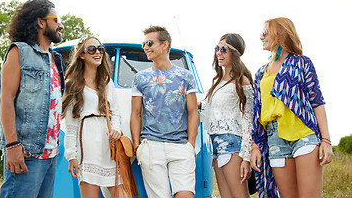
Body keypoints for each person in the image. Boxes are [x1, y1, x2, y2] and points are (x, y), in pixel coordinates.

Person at [250, 17, 333, 198]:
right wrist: (255, 146)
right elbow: (256, 111)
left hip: (303, 134)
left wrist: (326, 140)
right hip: (274, 139)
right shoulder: (260, 72)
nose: (260, 37)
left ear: (278, 34)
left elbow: (317, 102)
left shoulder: (302, 63)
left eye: (265, 32)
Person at [0, 0, 65, 197]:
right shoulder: (20, 51)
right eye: (56, 19)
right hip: (27, 152)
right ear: (41, 22)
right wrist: (11, 145)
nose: (60, 25)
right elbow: (5, 99)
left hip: (51, 153)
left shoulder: (55, 59)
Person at [130, 25, 199, 198]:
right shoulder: (140, 78)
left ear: (164, 44)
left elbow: (192, 112)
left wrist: (190, 145)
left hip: (181, 146)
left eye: (150, 43)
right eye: (144, 44)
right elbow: (136, 114)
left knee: (185, 195)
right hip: (151, 147)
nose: (146, 47)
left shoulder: (185, 76)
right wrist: (137, 146)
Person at [62, 36, 127, 198]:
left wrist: (117, 129)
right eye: (91, 49)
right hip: (86, 142)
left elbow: (115, 113)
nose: (97, 52)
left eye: (100, 49)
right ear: (82, 55)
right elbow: (70, 125)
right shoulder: (72, 83)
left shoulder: (106, 81)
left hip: (108, 143)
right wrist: (71, 156)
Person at [200, 33, 253, 197]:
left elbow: (248, 119)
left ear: (235, 53)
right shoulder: (217, 81)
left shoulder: (242, 81)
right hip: (216, 145)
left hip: (233, 144)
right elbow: (210, 109)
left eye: (224, 49)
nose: (219, 53)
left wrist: (246, 158)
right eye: (217, 48)